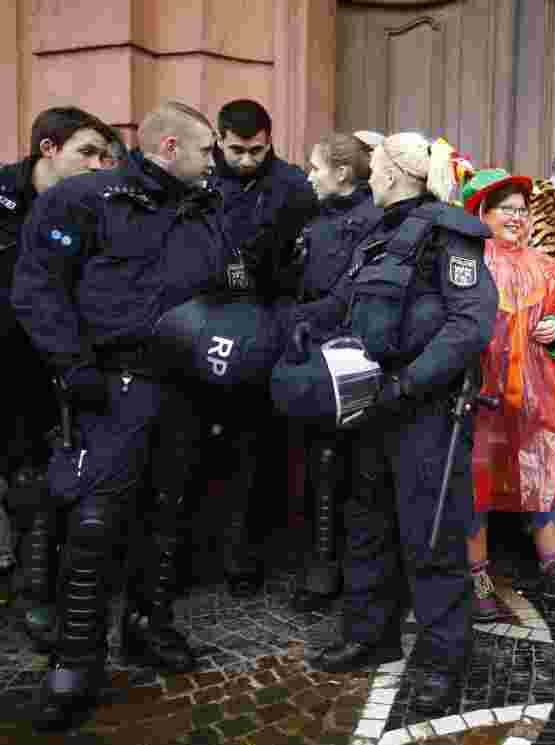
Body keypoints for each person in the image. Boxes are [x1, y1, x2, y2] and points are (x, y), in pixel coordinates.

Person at [12, 100, 230, 730]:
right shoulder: (87, 200)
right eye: (205, 149)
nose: (212, 161)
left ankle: (148, 625)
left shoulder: (206, 208)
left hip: (182, 385)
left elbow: (225, 290)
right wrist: (72, 365)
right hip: (109, 386)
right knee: (93, 524)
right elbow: (38, 285)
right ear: (168, 149)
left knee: (167, 515)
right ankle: (76, 662)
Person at [278, 133, 497, 713]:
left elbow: (470, 326)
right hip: (372, 400)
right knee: (367, 519)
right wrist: (304, 324)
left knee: (431, 536)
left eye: (375, 165)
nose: (368, 174)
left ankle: (444, 660)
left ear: (398, 171)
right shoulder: (378, 231)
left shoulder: (451, 234)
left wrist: (409, 384)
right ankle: (370, 634)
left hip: (425, 405)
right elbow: (347, 301)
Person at [459, 168, 555, 620]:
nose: (517, 218)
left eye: (523, 210)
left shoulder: (545, 266)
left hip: (537, 392)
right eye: (507, 209)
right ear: (483, 213)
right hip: (481, 393)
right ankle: (475, 573)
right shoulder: (467, 263)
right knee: (476, 480)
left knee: (547, 473)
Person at [0, 106, 115, 643]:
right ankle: (30, 588)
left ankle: (43, 587)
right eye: (87, 152)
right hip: (9, 358)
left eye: (104, 155)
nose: (99, 164)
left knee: (52, 474)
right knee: (22, 476)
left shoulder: (94, 205)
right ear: (48, 149)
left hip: (64, 358)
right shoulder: (4, 194)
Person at [204, 99, 318, 596]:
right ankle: (217, 552)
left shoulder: (293, 186)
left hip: (270, 321)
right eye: (236, 150)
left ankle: (252, 553)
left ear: (270, 140)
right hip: (210, 321)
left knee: (263, 447)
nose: (247, 160)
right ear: (219, 141)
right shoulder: (203, 179)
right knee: (216, 446)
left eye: (256, 150)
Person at [287, 131, 383, 612]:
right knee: (318, 466)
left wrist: (296, 320)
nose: (308, 175)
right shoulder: (316, 219)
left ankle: (345, 572)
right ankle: (322, 564)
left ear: (341, 174)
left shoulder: (370, 224)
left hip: (349, 357)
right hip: (314, 353)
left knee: (350, 468)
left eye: (315, 167)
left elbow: (347, 295)